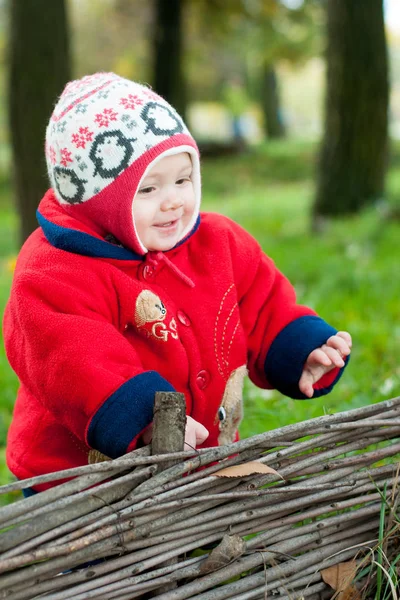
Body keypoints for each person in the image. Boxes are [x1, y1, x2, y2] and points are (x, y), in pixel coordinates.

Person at [3, 73, 351, 491]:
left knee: (203, 547)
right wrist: (142, 413)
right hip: (83, 482)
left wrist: (297, 348)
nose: (174, 201)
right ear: (100, 200)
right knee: (103, 557)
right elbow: (72, 354)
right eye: (148, 188)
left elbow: (262, 305)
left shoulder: (218, 243)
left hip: (203, 462)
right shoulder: (57, 269)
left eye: (183, 179)